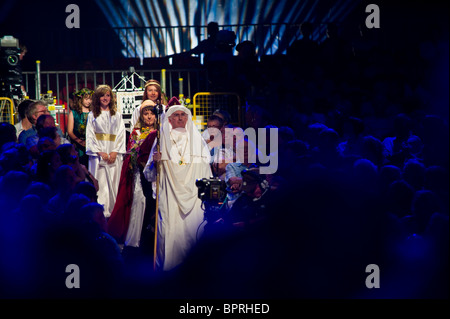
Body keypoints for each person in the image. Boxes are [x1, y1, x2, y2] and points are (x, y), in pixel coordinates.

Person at [143, 105, 212, 271]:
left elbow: (206, 172)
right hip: (170, 197)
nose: (180, 118)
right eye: (176, 115)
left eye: (183, 115)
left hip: (194, 197)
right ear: (169, 119)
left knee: (193, 232)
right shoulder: (161, 140)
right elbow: (149, 175)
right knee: (169, 233)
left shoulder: (197, 140)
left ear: (188, 118)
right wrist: (155, 162)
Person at [108, 103, 157, 248]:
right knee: (139, 200)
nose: (149, 117)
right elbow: (131, 153)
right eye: (145, 114)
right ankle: (135, 238)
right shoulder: (136, 132)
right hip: (139, 172)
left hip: (155, 173)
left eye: (152, 114)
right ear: (141, 116)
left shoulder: (160, 132)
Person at [86, 84, 126, 218]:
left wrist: (115, 151)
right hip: (99, 155)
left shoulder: (117, 115)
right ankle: (100, 212)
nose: (105, 98)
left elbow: (121, 134)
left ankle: (114, 212)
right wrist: (99, 152)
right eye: (102, 95)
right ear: (97, 98)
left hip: (113, 153)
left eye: (108, 95)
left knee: (114, 182)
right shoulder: (92, 115)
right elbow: (90, 135)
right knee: (101, 183)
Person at [67, 87, 94, 166]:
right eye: (86, 99)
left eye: (90, 99)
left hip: (91, 143)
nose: (88, 101)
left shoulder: (93, 113)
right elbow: (70, 131)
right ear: (81, 99)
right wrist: (79, 141)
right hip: (78, 144)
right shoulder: (74, 113)